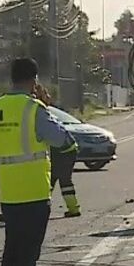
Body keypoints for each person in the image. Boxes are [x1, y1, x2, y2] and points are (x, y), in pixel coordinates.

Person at [0, 57, 76, 266]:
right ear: (34, 80)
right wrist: (47, 107)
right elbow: (62, 139)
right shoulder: (33, 108)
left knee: (11, 255)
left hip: (9, 194)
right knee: (27, 257)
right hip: (34, 192)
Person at [33, 84, 81, 218]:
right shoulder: (41, 110)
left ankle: (73, 209)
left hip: (64, 150)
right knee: (50, 181)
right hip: (62, 149)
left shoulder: (39, 110)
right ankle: (39, 209)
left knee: (64, 180)